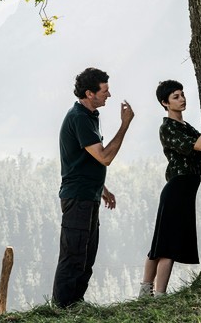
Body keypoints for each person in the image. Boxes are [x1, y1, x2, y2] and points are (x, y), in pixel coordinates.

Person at [139, 80, 201, 297]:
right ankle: (159, 294)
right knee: (167, 244)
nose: (182, 99)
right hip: (177, 189)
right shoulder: (168, 128)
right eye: (175, 97)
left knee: (162, 241)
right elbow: (199, 145)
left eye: (182, 95)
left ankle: (146, 291)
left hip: (184, 189)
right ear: (165, 103)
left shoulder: (185, 126)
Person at [52, 67, 135, 307]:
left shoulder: (90, 116)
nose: (109, 95)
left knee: (87, 255)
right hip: (77, 197)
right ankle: (62, 308)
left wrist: (103, 189)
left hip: (89, 195)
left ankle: (75, 304)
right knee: (74, 256)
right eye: (105, 91)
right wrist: (125, 125)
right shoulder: (79, 117)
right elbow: (104, 157)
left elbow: (86, 160)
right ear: (90, 93)